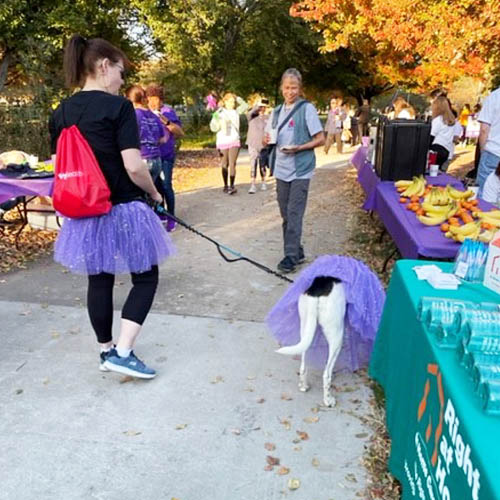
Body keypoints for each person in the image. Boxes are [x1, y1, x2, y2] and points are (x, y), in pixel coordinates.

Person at [49, 34, 175, 379]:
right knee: (146, 278)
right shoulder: (119, 108)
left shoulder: (60, 112)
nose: (122, 80)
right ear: (104, 67)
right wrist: (156, 194)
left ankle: (106, 351)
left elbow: (59, 166)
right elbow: (134, 166)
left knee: (99, 281)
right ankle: (123, 351)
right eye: (120, 71)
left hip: (86, 214)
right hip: (124, 208)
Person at [264, 68, 325, 273]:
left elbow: (320, 138)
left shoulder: (307, 109)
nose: (290, 92)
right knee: (285, 214)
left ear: (300, 89)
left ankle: (290, 256)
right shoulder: (276, 111)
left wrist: (299, 148)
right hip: (281, 168)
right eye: (287, 87)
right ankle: (297, 250)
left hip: (301, 169)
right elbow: (270, 136)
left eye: (294, 88)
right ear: (282, 88)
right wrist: (266, 140)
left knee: (294, 212)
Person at [145, 83, 184, 232]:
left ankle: (172, 217)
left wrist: (166, 122)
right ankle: (160, 212)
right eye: (151, 99)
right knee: (155, 187)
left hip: (166, 155)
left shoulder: (168, 111)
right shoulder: (144, 113)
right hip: (150, 155)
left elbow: (180, 132)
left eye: (157, 99)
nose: (154, 102)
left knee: (166, 185)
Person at [209, 92, 248, 194]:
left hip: (234, 140)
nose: (232, 103)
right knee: (224, 164)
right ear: (225, 102)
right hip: (222, 141)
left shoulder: (236, 112)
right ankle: (225, 185)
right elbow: (214, 128)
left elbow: (245, 106)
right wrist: (216, 118)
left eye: (233, 102)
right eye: (229, 101)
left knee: (232, 164)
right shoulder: (219, 112)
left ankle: (232, 185)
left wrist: (237, 97)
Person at [126, 85, 165, 183]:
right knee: (152, 190)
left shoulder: (132, 115)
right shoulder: (154, 115)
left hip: (142, 157)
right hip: (156, 159)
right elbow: (163, 139)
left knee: (141, 193)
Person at [476, 87, 500, 196]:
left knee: (483, 194)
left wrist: (482, 152)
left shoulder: (494, 96)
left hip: (493, 152)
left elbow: (484, 129)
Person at [429, 96, 462, 170]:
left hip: (435, 150)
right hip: (447, 150)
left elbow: (431, 136)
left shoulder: (438, 120)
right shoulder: (452, 120)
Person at [246, 97, 269, 193]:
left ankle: (263, 182)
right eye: (260, 107)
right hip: (252, 143)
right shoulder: (251, 117)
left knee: (262, 164)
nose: (262, 108)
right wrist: (257, 105)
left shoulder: (268, 117)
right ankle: (253, 184)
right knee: (253, 164)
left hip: (263, 145)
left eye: (264, 107)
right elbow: (250, 112)